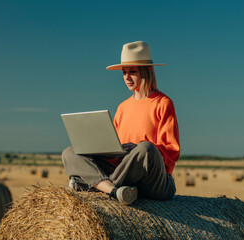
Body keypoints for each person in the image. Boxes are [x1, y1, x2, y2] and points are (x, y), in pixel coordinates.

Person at [62, 41, 180, 205]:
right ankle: (114, 191)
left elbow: (171, 152)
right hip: (123, 173)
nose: (126, 77)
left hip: (154, 180)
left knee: (146, 149)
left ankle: (97, 186)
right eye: (124, 72)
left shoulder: (163, 103)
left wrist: (134, 148)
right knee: (70, 152)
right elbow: (114, 146)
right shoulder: (123, 107)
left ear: (148, 70)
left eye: (132, 71)